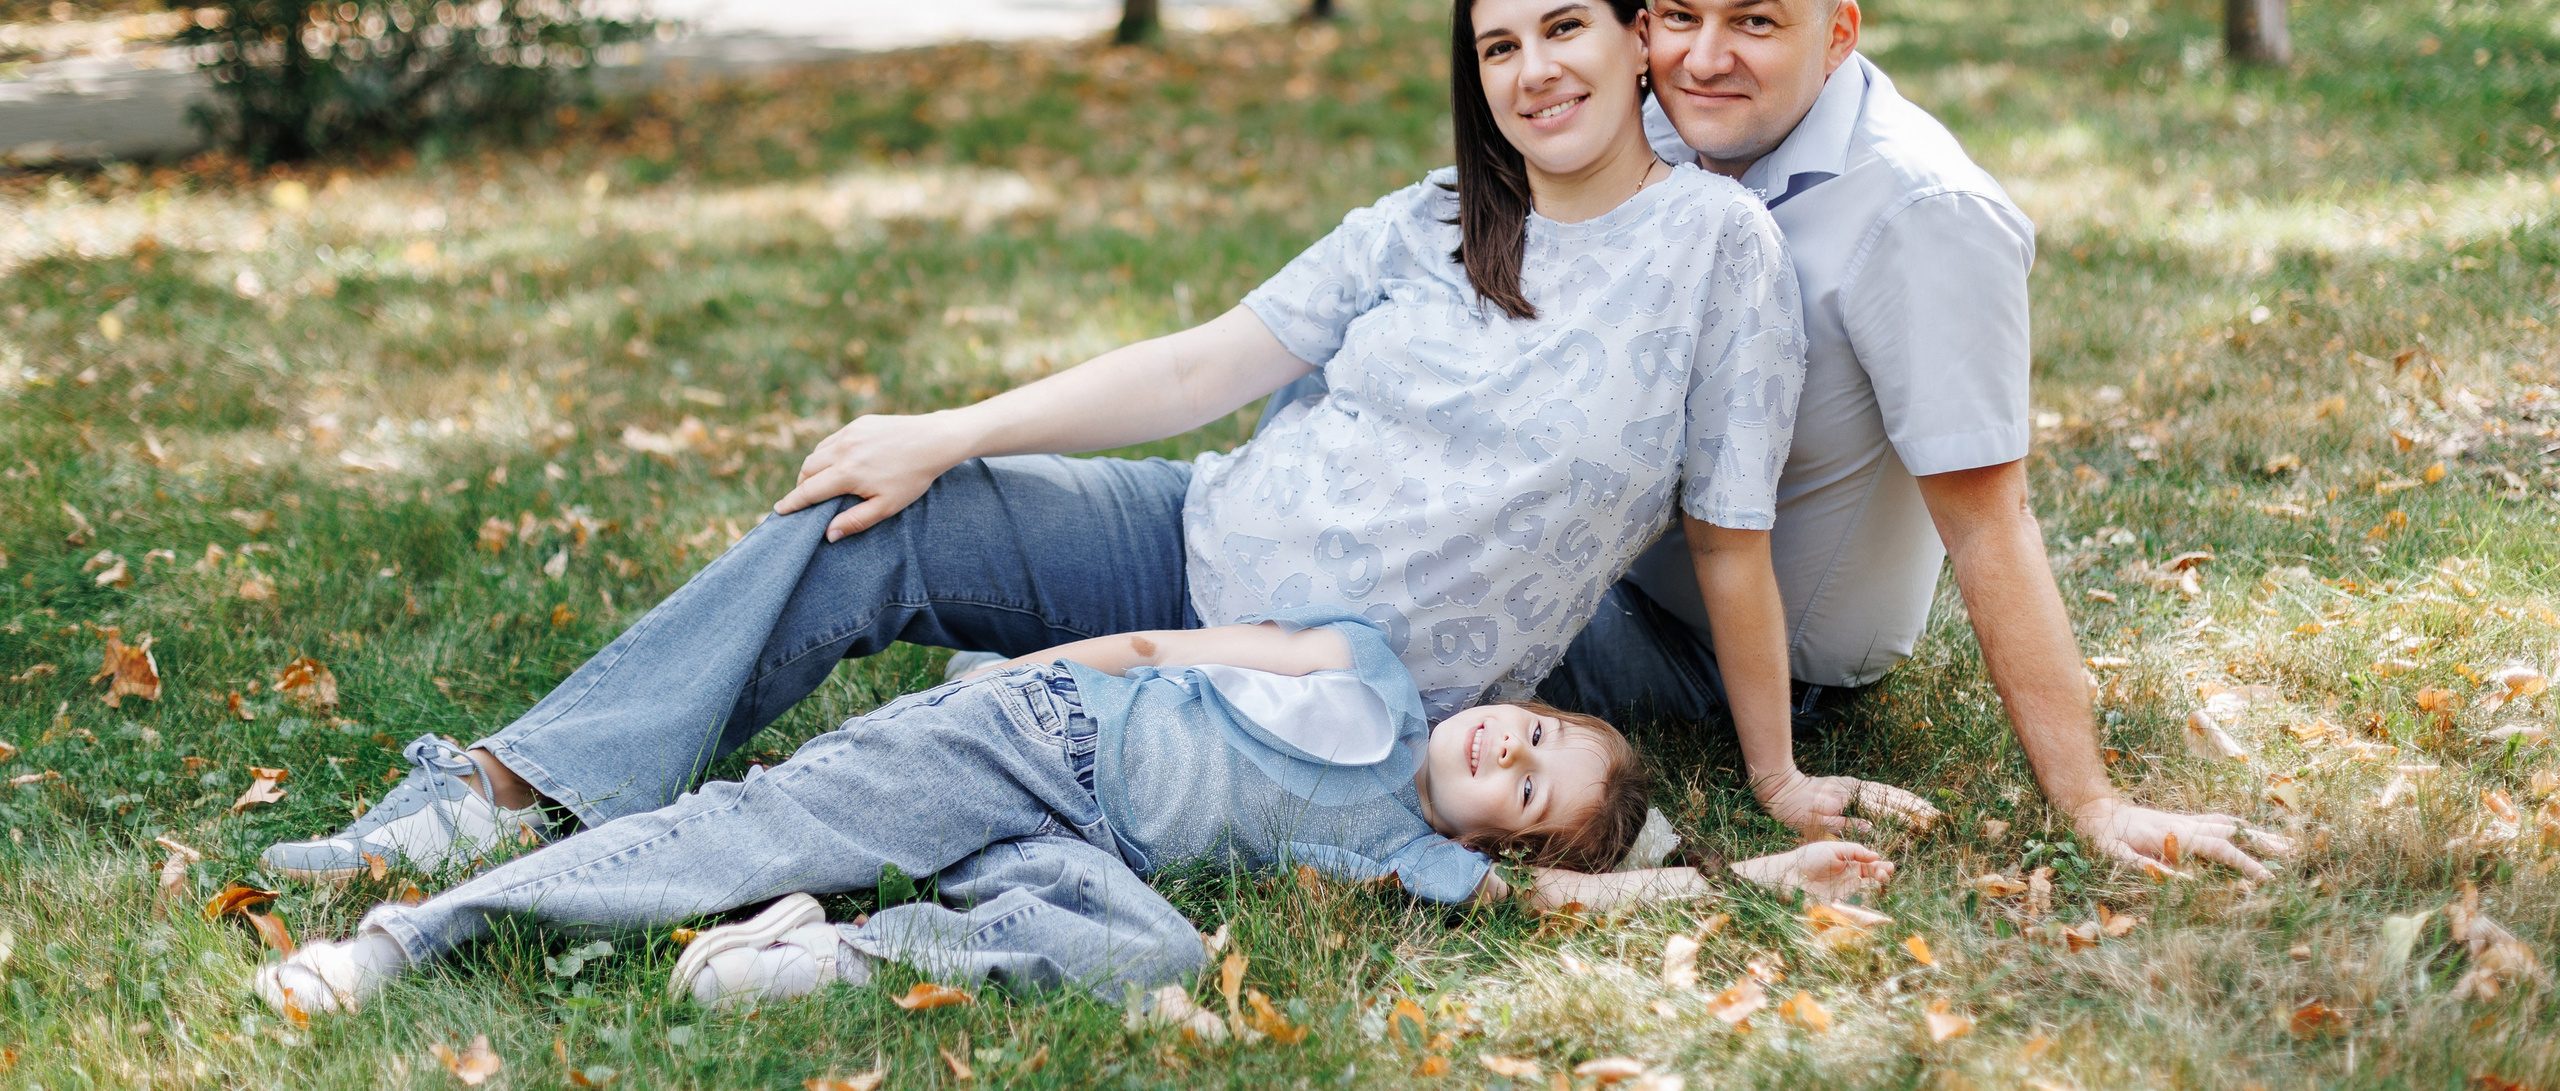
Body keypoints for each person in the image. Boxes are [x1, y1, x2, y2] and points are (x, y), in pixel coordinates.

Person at [265, 0, 1915, 900]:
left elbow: (1731, 536)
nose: (1535, 70)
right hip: (1189, 535)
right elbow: (1202, 366)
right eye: (1497, 47)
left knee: (1005, 779)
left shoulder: (1719, 258)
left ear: (1637, 41)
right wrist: (950, 429)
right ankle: (504, 793)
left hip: (1320, 689)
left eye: (1565, 28)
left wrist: (1773, 776)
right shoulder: (1425, 220)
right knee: (870, 516)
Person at [1529, 0, 2278, 877]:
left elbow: (1988, 522)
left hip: (1716, 654)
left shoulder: (1921, 216)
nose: (1702, 58)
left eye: (1754, 22)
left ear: (1838, 34)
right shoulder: (1665, 119)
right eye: (1677, 16)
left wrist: (2091, 801)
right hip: (1598, 560)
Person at [251, 610, 1892, 1018]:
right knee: (735, 832)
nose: (1502, 746)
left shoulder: (1405, 851)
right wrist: (1022, 675)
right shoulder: (1373, 668)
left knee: (1154, 947)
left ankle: (829, 950)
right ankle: (410, 933)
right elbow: (1169, 648)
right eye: (1529, 727)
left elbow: (1566, 903)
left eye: (1525, 786)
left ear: (1490, 839)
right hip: (1015, 739)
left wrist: (1746, 872)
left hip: (1076, 845)